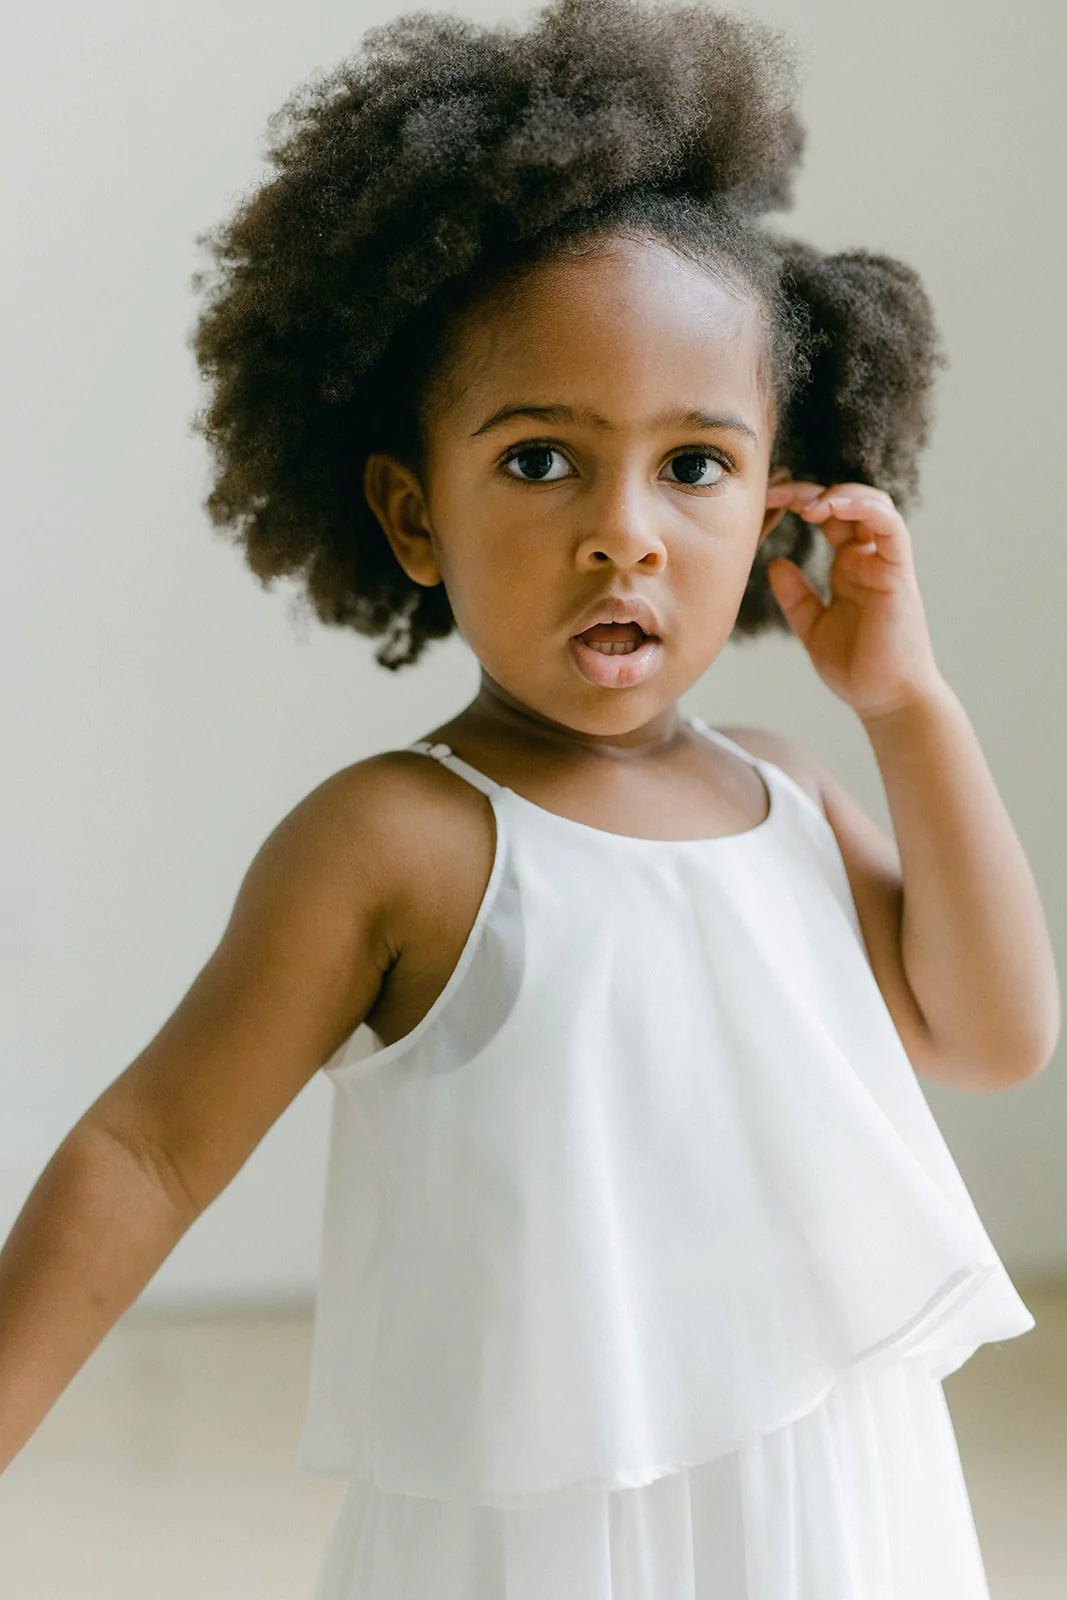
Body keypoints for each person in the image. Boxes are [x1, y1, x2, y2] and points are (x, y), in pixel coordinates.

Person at [0, 0, 1058, 1594]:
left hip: (834, 1504)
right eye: (542, 461)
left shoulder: (781, 795)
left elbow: (991, 1037)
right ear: (412, 513)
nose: (623, 532)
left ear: (780, 498)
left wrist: (905, 705)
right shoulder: (399, 840)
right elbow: (148, 1151)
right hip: (542, 1518)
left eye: (690, 466)